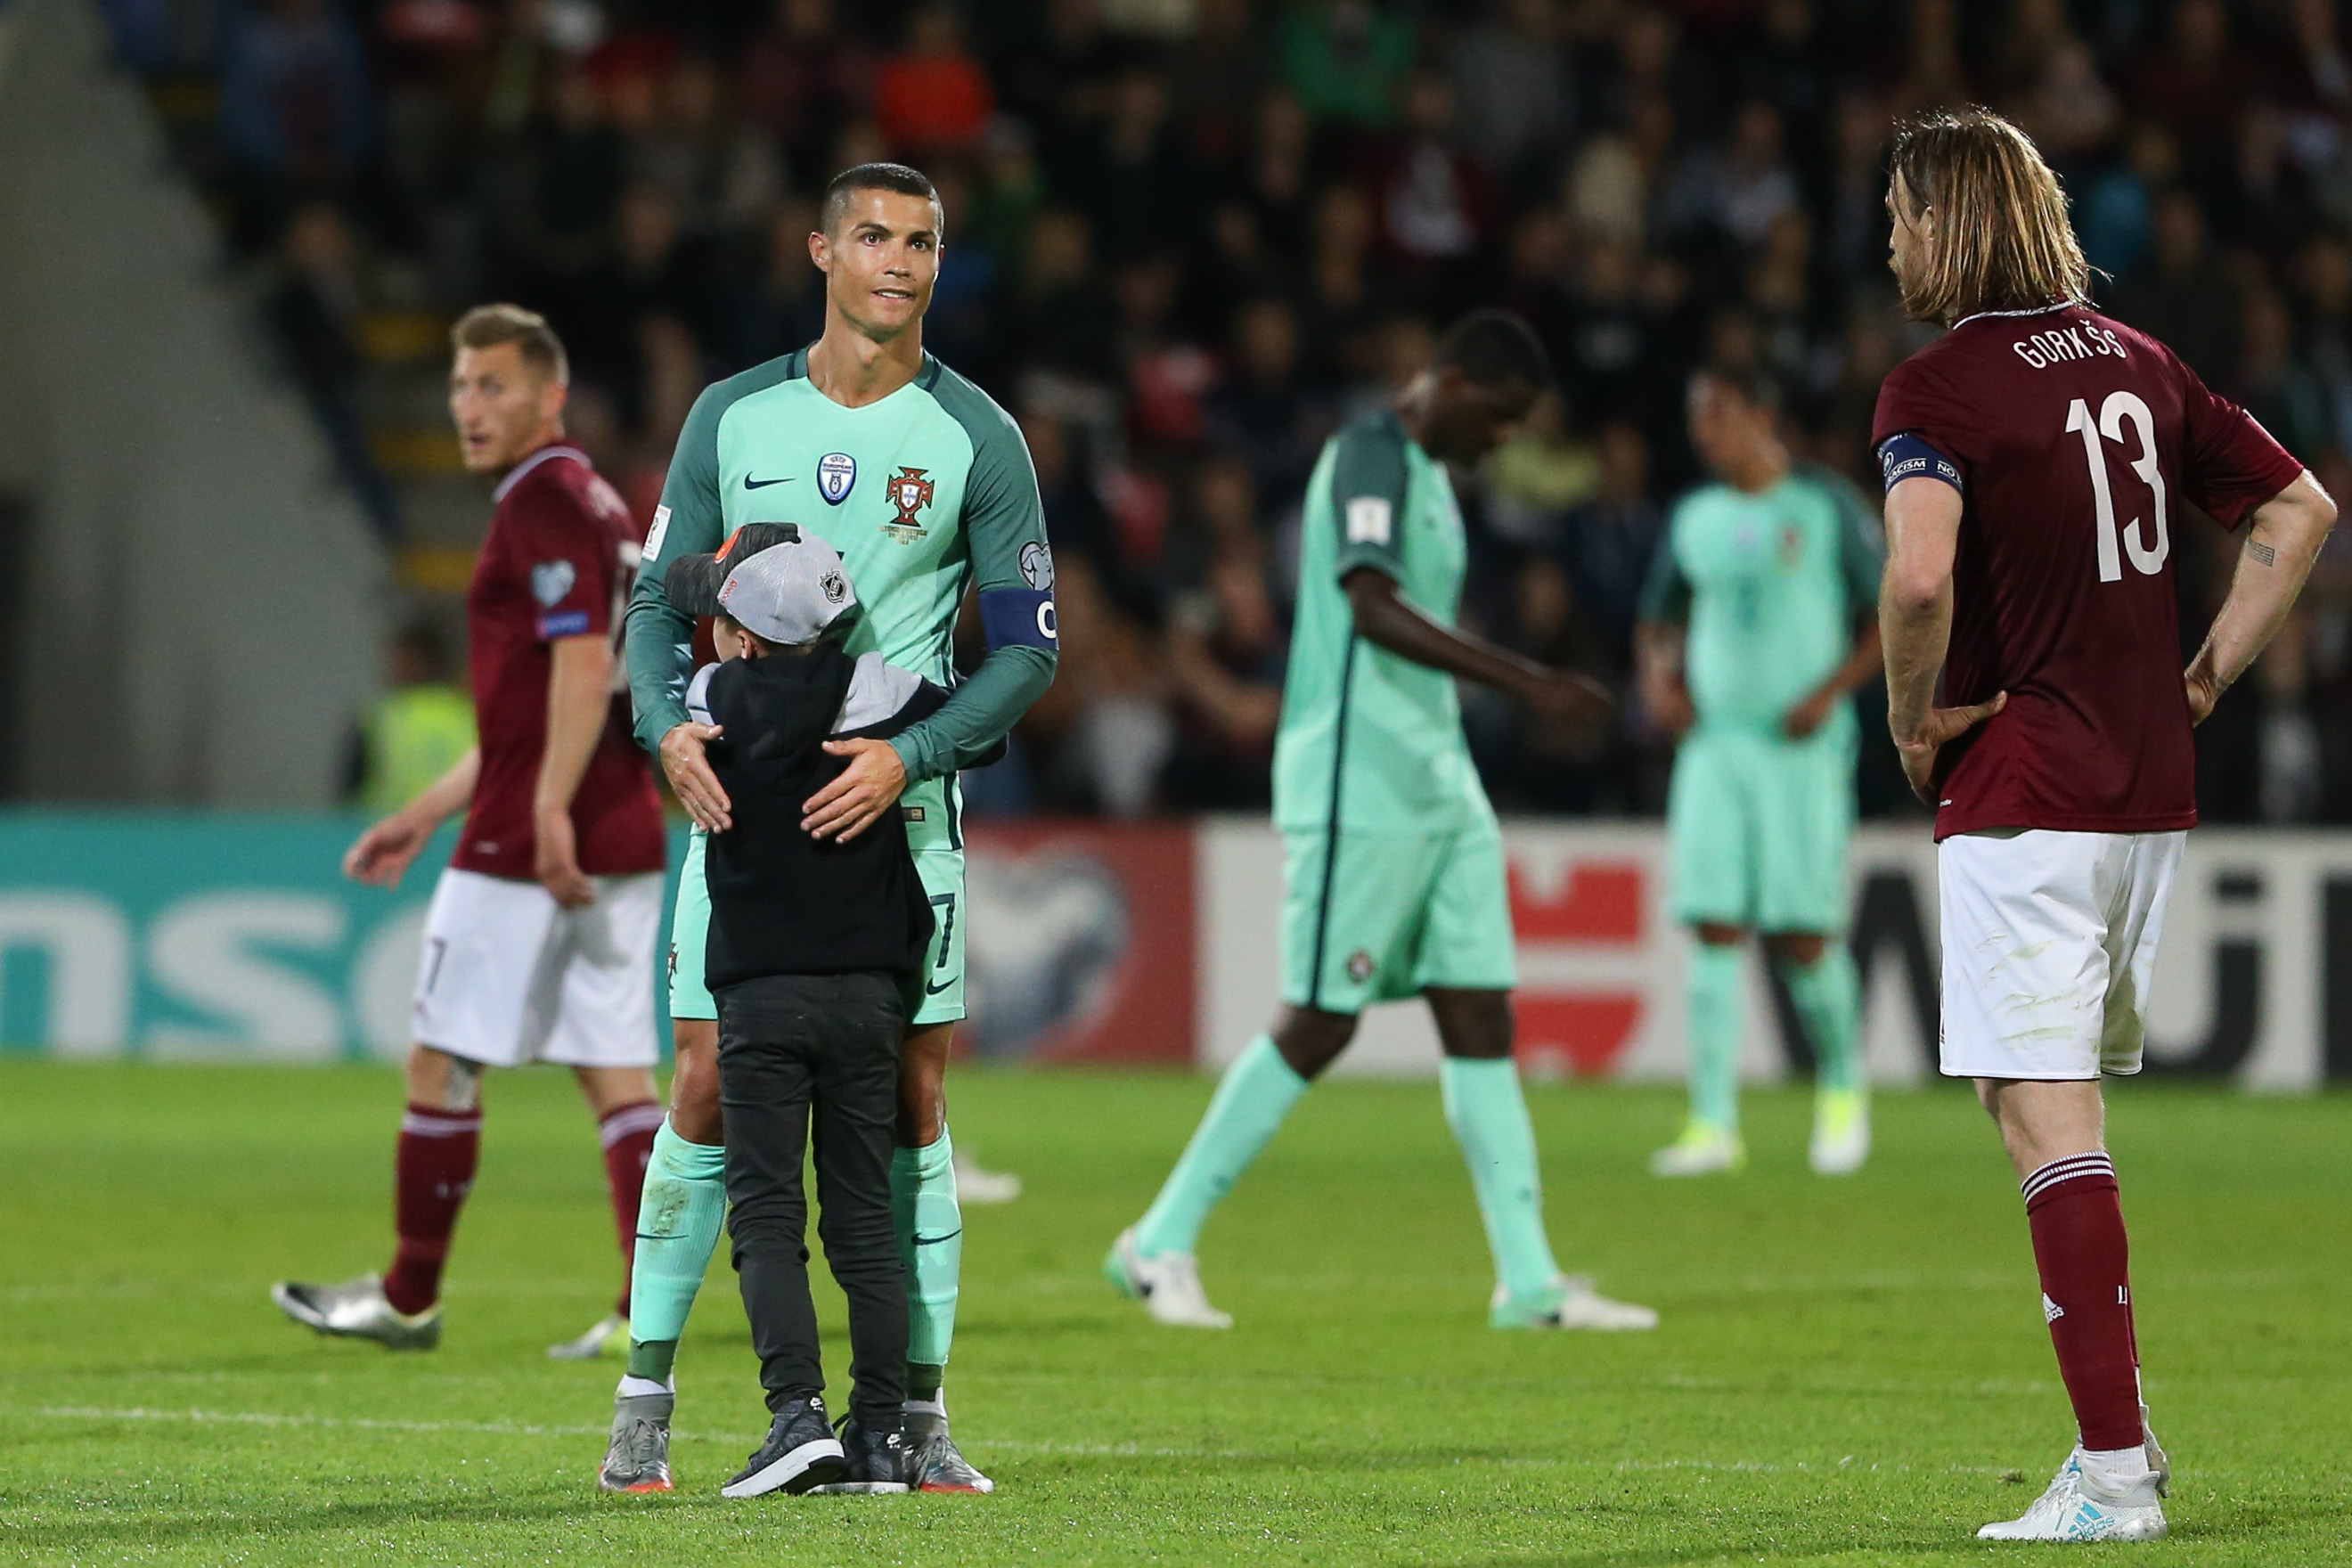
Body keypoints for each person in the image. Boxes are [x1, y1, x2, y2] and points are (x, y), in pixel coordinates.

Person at [1874, 110, 2334, 1543]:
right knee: (2034, 1098)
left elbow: (1916, 579)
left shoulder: (1935, 388)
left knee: (2043, 1110)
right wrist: (2202, 677)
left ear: (1948, 222)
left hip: (2028, 790)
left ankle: (2117, 1472)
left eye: (1900, 212)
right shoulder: (2140, 362)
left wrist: (1907, 719)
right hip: (2148, 792)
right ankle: (2116, 1450)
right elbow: (2300, 511)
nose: (1888, 240)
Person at [614, 163, 1057, 1495]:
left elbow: (1030, 651)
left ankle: (914, 1422)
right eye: (872, 237)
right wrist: (664, 727)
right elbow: (651, 602)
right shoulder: (733, 415)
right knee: (700, 1077)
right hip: (738, 813)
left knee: (914, 1101)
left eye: (920, 240)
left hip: (898, 816)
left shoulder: (977, 436)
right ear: (820, 250)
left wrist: (910, 753)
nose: (898, 262)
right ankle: (644, 1401)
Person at [1103, 310, 1658, 1335]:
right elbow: (1367, 601)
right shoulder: (1371, 454)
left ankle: (1528, 1279)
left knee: (1481, 1012)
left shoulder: (1436, 481)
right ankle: (1156, 1237)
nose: (1500, 442)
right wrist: (1526, 678)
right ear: (1449, 383)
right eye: (1496, 419)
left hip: (1438, 780)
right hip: (1360, 778)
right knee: (1321, 1018)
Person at [274, 305, 668, 1353]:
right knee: (617, 1072)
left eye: (493, 386)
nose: (469, 406)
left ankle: (408, 1295)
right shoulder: (600, 501)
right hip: (622, 822)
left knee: (441, 1058)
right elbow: (542, 698)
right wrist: (418, 810)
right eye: (459, 385)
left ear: (551, 396)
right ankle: (648, 1307)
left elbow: (583, 667)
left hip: (534, 836)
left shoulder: (540, 501)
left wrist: (540, 811)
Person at [641, 527, 979, 1499]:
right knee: (864, 1217)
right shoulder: (876, 692)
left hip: (760, 992)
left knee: (768, 1211)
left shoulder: (709, 700)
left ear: (743, 637)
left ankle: (797, 1419)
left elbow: (678, 694)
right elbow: (971, 726)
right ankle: (879, 1438)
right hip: (872, 990)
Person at [1636, 367, 1884, 1178]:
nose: (1703, 434)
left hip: (1800, 748)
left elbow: (1891, 614)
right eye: (1695, 419)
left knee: (1802, 931)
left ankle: (1844, 1090)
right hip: (1715, 745)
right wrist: (1659, 683)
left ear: (1759, 414)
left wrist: (1831, 691)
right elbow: (1658, 618)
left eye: (1715, 415)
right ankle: (1713, 1123)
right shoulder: (1695, 518)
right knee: (1711, 921)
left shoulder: (1823, 508)